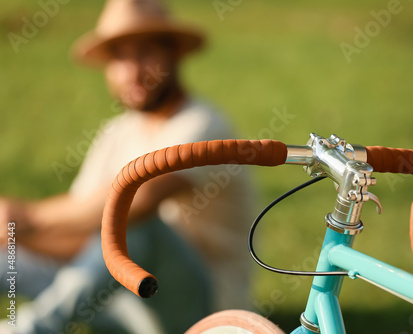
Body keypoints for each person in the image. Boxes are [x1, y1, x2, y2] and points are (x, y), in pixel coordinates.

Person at [0, 0, 255, 333]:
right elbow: (83, 237)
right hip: (124, 299)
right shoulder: (116, 133)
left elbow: (140, 201)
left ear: (174, 54)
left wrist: (28, 218)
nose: (132, 71)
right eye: (120, 57)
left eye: (145, 53)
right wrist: (14, 235)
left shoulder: (203, 125)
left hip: (202, 313)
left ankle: (32, 328)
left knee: (131, 216)